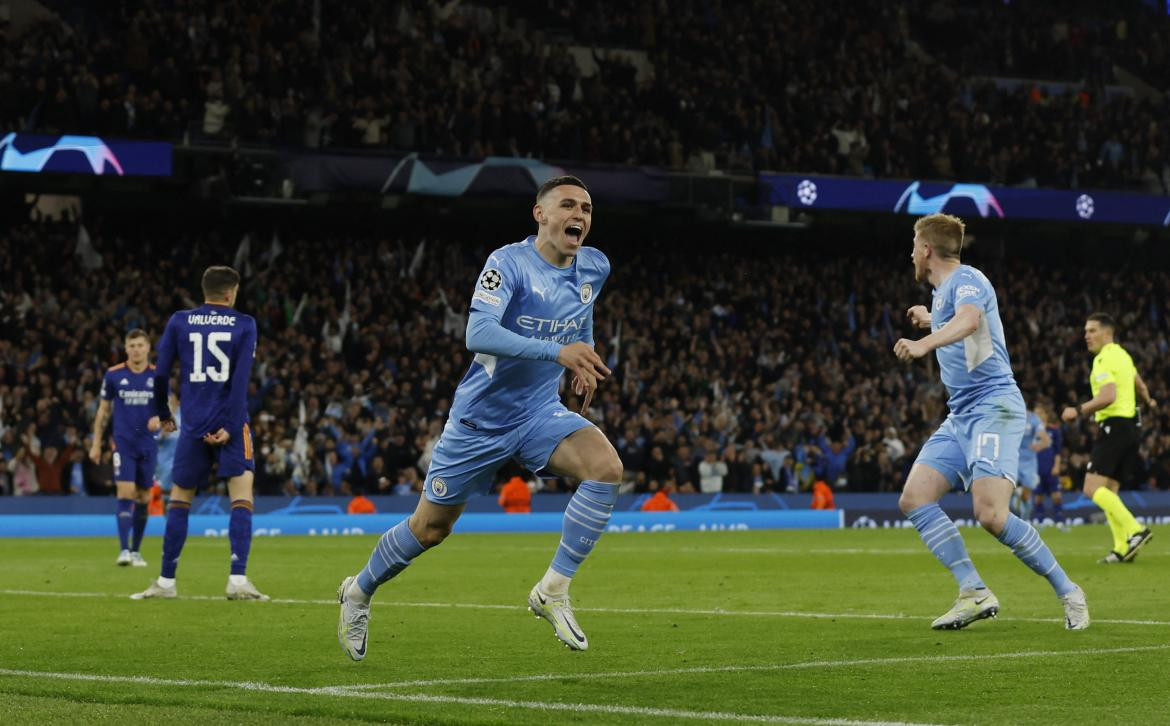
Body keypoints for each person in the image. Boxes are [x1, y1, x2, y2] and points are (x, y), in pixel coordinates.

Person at [337, 175, 620, 659]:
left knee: (606, 469)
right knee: (430, 529)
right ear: (541, 214)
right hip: (480, 422)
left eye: (587, 209)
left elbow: (582, 318)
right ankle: (359, 591)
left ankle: (553, 588)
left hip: (538, 413)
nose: (579, 216)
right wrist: (558, 353)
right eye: (568, 206)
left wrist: (585, 360)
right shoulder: (506, 263)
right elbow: (479, 332)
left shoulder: (595, 265)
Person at [893, 213, 1087, 631]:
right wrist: (932, 318)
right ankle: (973, 591)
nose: (911, 252)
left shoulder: (968, 280)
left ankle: (1069, 590)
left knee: (991, 515)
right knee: (914, 498)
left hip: (993, 407)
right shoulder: (946, 292)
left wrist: (925, 341)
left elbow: (970, 321)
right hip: (962, 413)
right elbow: (957, 319)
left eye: (913, 244)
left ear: (926, 249)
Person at [131, 265, 268, 601]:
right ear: (230, 292)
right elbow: (240, 381)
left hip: (191, 426)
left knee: (179, 500)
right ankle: (237, 581)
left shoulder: (179, 320)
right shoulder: (245, 324)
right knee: (241, 497)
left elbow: (160, 374)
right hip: (231, 424)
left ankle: (166, 581)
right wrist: (232, 427)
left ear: (204, 290)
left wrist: (164, 414)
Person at [1061, 313, 1156, 563]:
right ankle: (1121, 548)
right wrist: (1150, 401)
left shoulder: (1103, 359)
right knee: (1110, 491)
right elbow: (1140, 385)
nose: (1086, 336)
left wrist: (1077, 411)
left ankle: (1136, 530)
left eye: (1092, 331)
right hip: (1131, 429)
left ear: (1107, 333)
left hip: (1114, 427)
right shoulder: (1123, 355)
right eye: (1086, 331)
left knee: (1091, 489)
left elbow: (1108, 396)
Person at [90, 329, 159, 566]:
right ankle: (123, 550)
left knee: (143, 497)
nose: (136, 350)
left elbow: (167, 408)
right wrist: (96, 443)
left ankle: (136, 551)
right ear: (126, 348)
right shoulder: (113, 375)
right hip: (124, 443)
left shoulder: (158, 375)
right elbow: (103, 411)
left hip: (148, 445)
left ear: (148, 348)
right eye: (132, 346)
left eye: (140, 345)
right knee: (125, 492)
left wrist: (160, 419)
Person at [1010, 402, 1051, 522]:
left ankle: (1025, 519)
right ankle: (1016, 495)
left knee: (1026, 495)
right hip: (1013, 458)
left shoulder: (1034, 419)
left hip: (1029, 461)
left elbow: (1045, 440)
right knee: (1008, 485)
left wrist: (1039, 445)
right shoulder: (1012, 417)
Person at [1032, 402, 1065, 525]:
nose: (1038, 416)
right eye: (1035, 414)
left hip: (1051, 467)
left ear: (1046, 415)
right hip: (1036, 468)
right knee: (1038, 496)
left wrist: (1056, 465)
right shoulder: (1031, 432)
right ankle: (1039, 519)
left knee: (1056, 495)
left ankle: (1059, 518)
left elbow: (1057, 451)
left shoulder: (1053, 430)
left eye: (1040, 413)